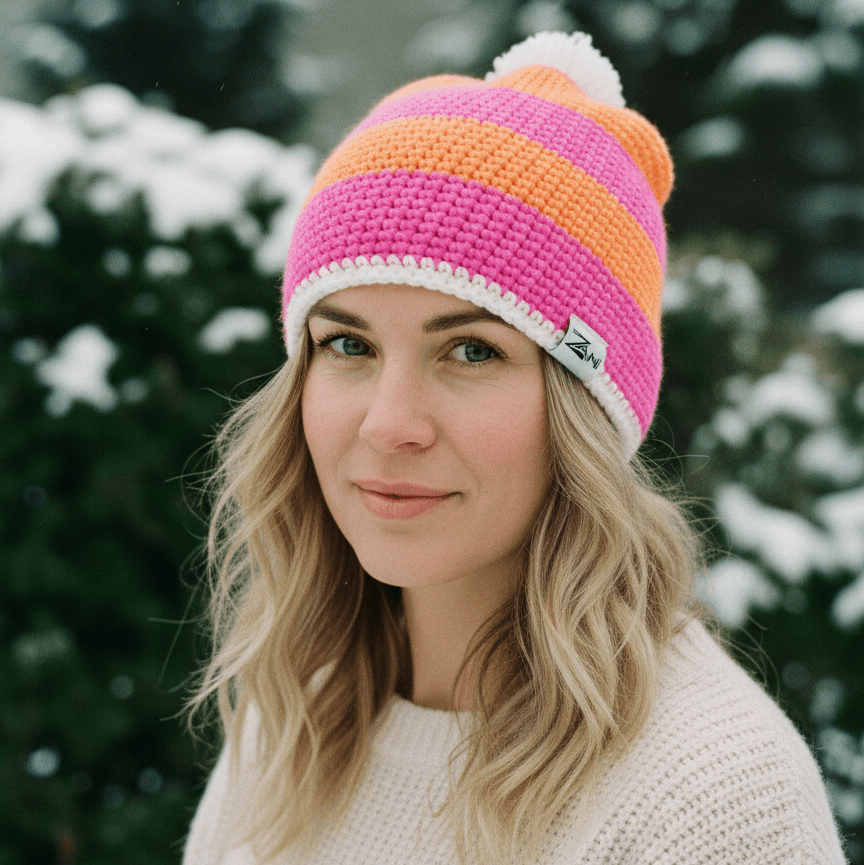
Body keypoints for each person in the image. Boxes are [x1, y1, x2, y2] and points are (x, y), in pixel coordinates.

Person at [181, 31, 847, 865]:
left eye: (471, 351)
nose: (389, 424)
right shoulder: (294, 726)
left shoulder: (707, 793)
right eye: (347, 345)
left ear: (586, 407)